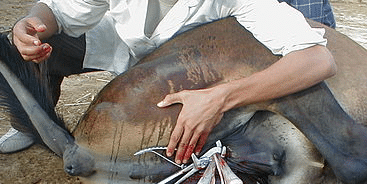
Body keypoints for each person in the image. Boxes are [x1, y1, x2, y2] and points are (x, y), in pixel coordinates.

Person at [0, 0, 336, 165]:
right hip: (129, 50)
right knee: (27, 48)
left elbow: (316, 59)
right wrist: (32, 23)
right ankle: (31, 127)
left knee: (175, 142)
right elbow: (56, 11)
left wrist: (222, 98)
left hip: (191, 69)